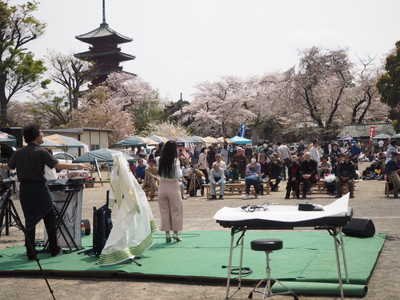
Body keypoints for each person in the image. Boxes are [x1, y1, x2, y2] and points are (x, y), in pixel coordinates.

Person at [2, 124, 90, 260]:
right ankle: (54, 249)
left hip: (25, 189)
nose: (42, 135)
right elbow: (58, 165)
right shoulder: (40, 151)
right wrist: (78, 164)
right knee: (50, 218)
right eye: (41, 133)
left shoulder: (19, 152)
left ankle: (30, 252)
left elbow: (10, 166)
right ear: (36, 136)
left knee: (29, 221)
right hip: (40, 188)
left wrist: (1, 165)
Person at [157, 140, 183, 243]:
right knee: (176, 210)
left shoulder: (159, 159)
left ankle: (167, 234)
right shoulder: (176, 161)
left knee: (164, 211)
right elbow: (177, 175)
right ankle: (175, 234)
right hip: (173, 186)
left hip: (162, 186)